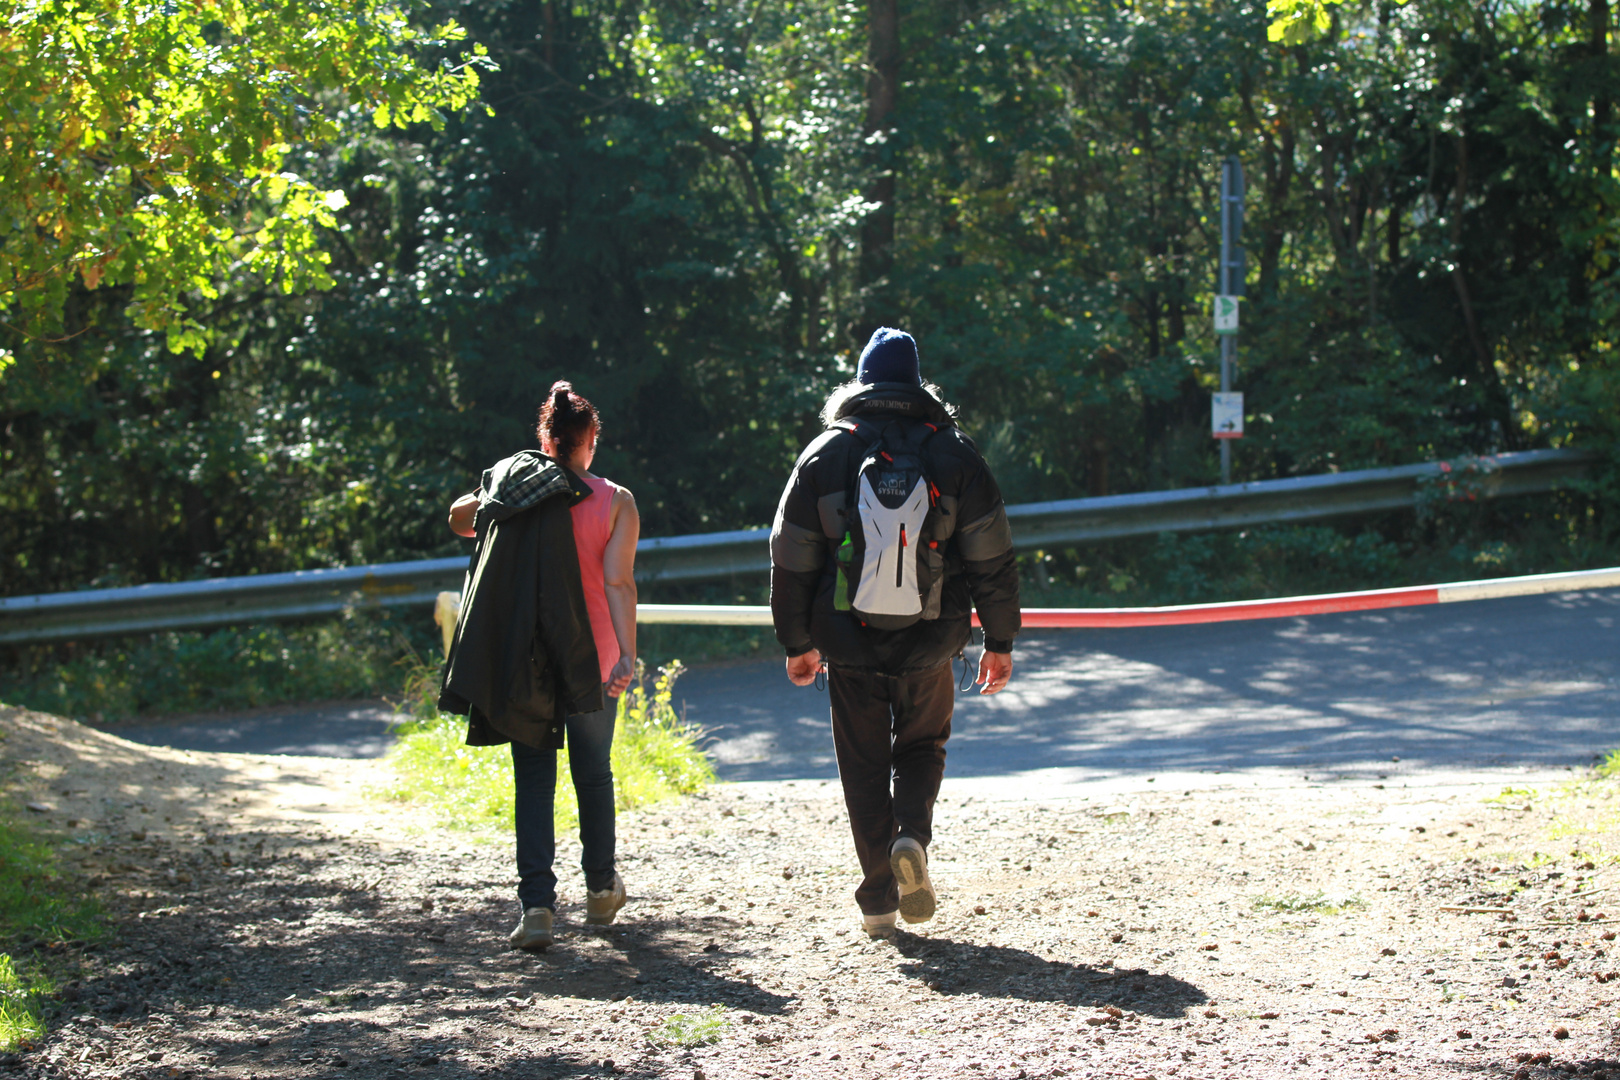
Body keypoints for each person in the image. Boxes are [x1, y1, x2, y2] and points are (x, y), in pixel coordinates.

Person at [769, 327, 1021, 938]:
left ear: (860, 383)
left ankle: (879, 904)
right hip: (932, 639)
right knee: (920, 748)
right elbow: (992, 556)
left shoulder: (827, 453)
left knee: (862, 764)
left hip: (848, 638)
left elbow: (791, 554)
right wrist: (1001, 640)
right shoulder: (954, 453)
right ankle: (911, 835)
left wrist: (796, 641)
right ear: (915, 383)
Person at [441, 381, 640, 951]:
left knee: (533, 779)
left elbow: (459, 519)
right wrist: (626, 653)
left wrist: (497, 482)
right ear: (591, 440)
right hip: (594, 657)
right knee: (592, 772)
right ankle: (601, 891)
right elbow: (618, 582)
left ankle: (537, 909)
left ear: (545, 438)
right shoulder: (616, 500)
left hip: (529, 659)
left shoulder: (519, 485)